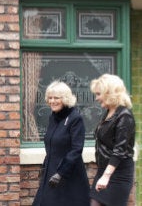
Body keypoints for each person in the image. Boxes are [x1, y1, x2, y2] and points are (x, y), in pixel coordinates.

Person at [33, 80, 90, 206]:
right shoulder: (53, 117)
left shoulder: (75, 118)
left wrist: (61, 173)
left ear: (65, 99)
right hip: (50, 172)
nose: (52, 101)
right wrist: (44, 167)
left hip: (68, 176)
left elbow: (76, 149)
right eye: (50, 98)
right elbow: (52, 145)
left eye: (56, 98)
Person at [89, 74, 136, 206]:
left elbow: (119, 150)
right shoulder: (109, 112)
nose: (96, 98)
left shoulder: (124, 115)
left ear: (109, 92)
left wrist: (106, 176)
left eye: (99, 94)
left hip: (118, 172)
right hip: (104, 170)